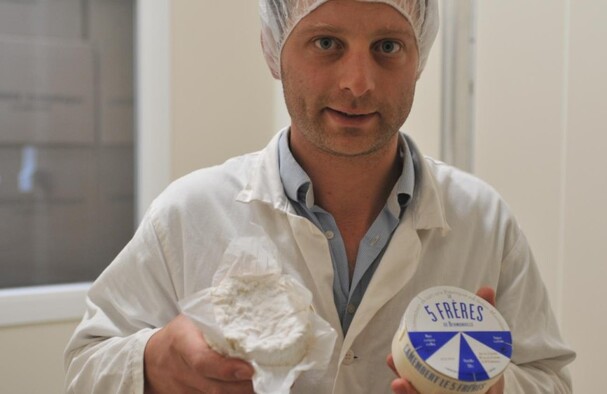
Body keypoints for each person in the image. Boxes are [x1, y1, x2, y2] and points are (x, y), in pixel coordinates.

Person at [64, 0, 575, 393]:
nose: (358, 83)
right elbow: (87, 363)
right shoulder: (190, 213)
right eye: (327, 43)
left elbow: (550, 377)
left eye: (388, 47)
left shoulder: (483, 221)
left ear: (420, 55)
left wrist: (502, 387)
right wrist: (153, 362)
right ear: (274, 49)